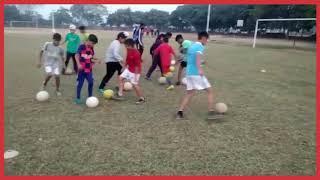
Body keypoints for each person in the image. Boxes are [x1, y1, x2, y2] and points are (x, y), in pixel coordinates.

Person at [176, 31, 223, 120]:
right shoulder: (200, 46)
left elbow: (190, 58)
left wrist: (200, 62)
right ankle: (211, 111)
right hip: (196, 73)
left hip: (189, 73)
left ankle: (180, 112)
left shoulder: (192, 45)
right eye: (206, 40)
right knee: (210, 91)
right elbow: (197, 56)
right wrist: (199, 69)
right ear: (203, 38)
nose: (206, 42)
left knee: (190, 93)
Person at [74, 34, 100, 104]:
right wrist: (78, 64)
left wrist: (96, 60)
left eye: (94, 44)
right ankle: (78, 98)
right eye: (93, 43)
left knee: (91, 82)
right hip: (82, 70)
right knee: (80, 84)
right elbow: (76, 55)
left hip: (89, 70)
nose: (93, 45)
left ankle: (90, 97)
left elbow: (90, 58)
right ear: (88, 41)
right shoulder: (82, 47)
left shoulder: (91, 48)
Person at [118, 38, 145, 104]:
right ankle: (120, 93)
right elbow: (127, 59)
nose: (125, 46)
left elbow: (137, 66)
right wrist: (124, 67)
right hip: (129, 69)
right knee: (120, 78)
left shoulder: (136, 53)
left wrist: (135, 76)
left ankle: (141, 98)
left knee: (135, 85)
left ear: (130, 45)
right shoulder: (128, 49)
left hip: (136, 71)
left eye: (126, 45)